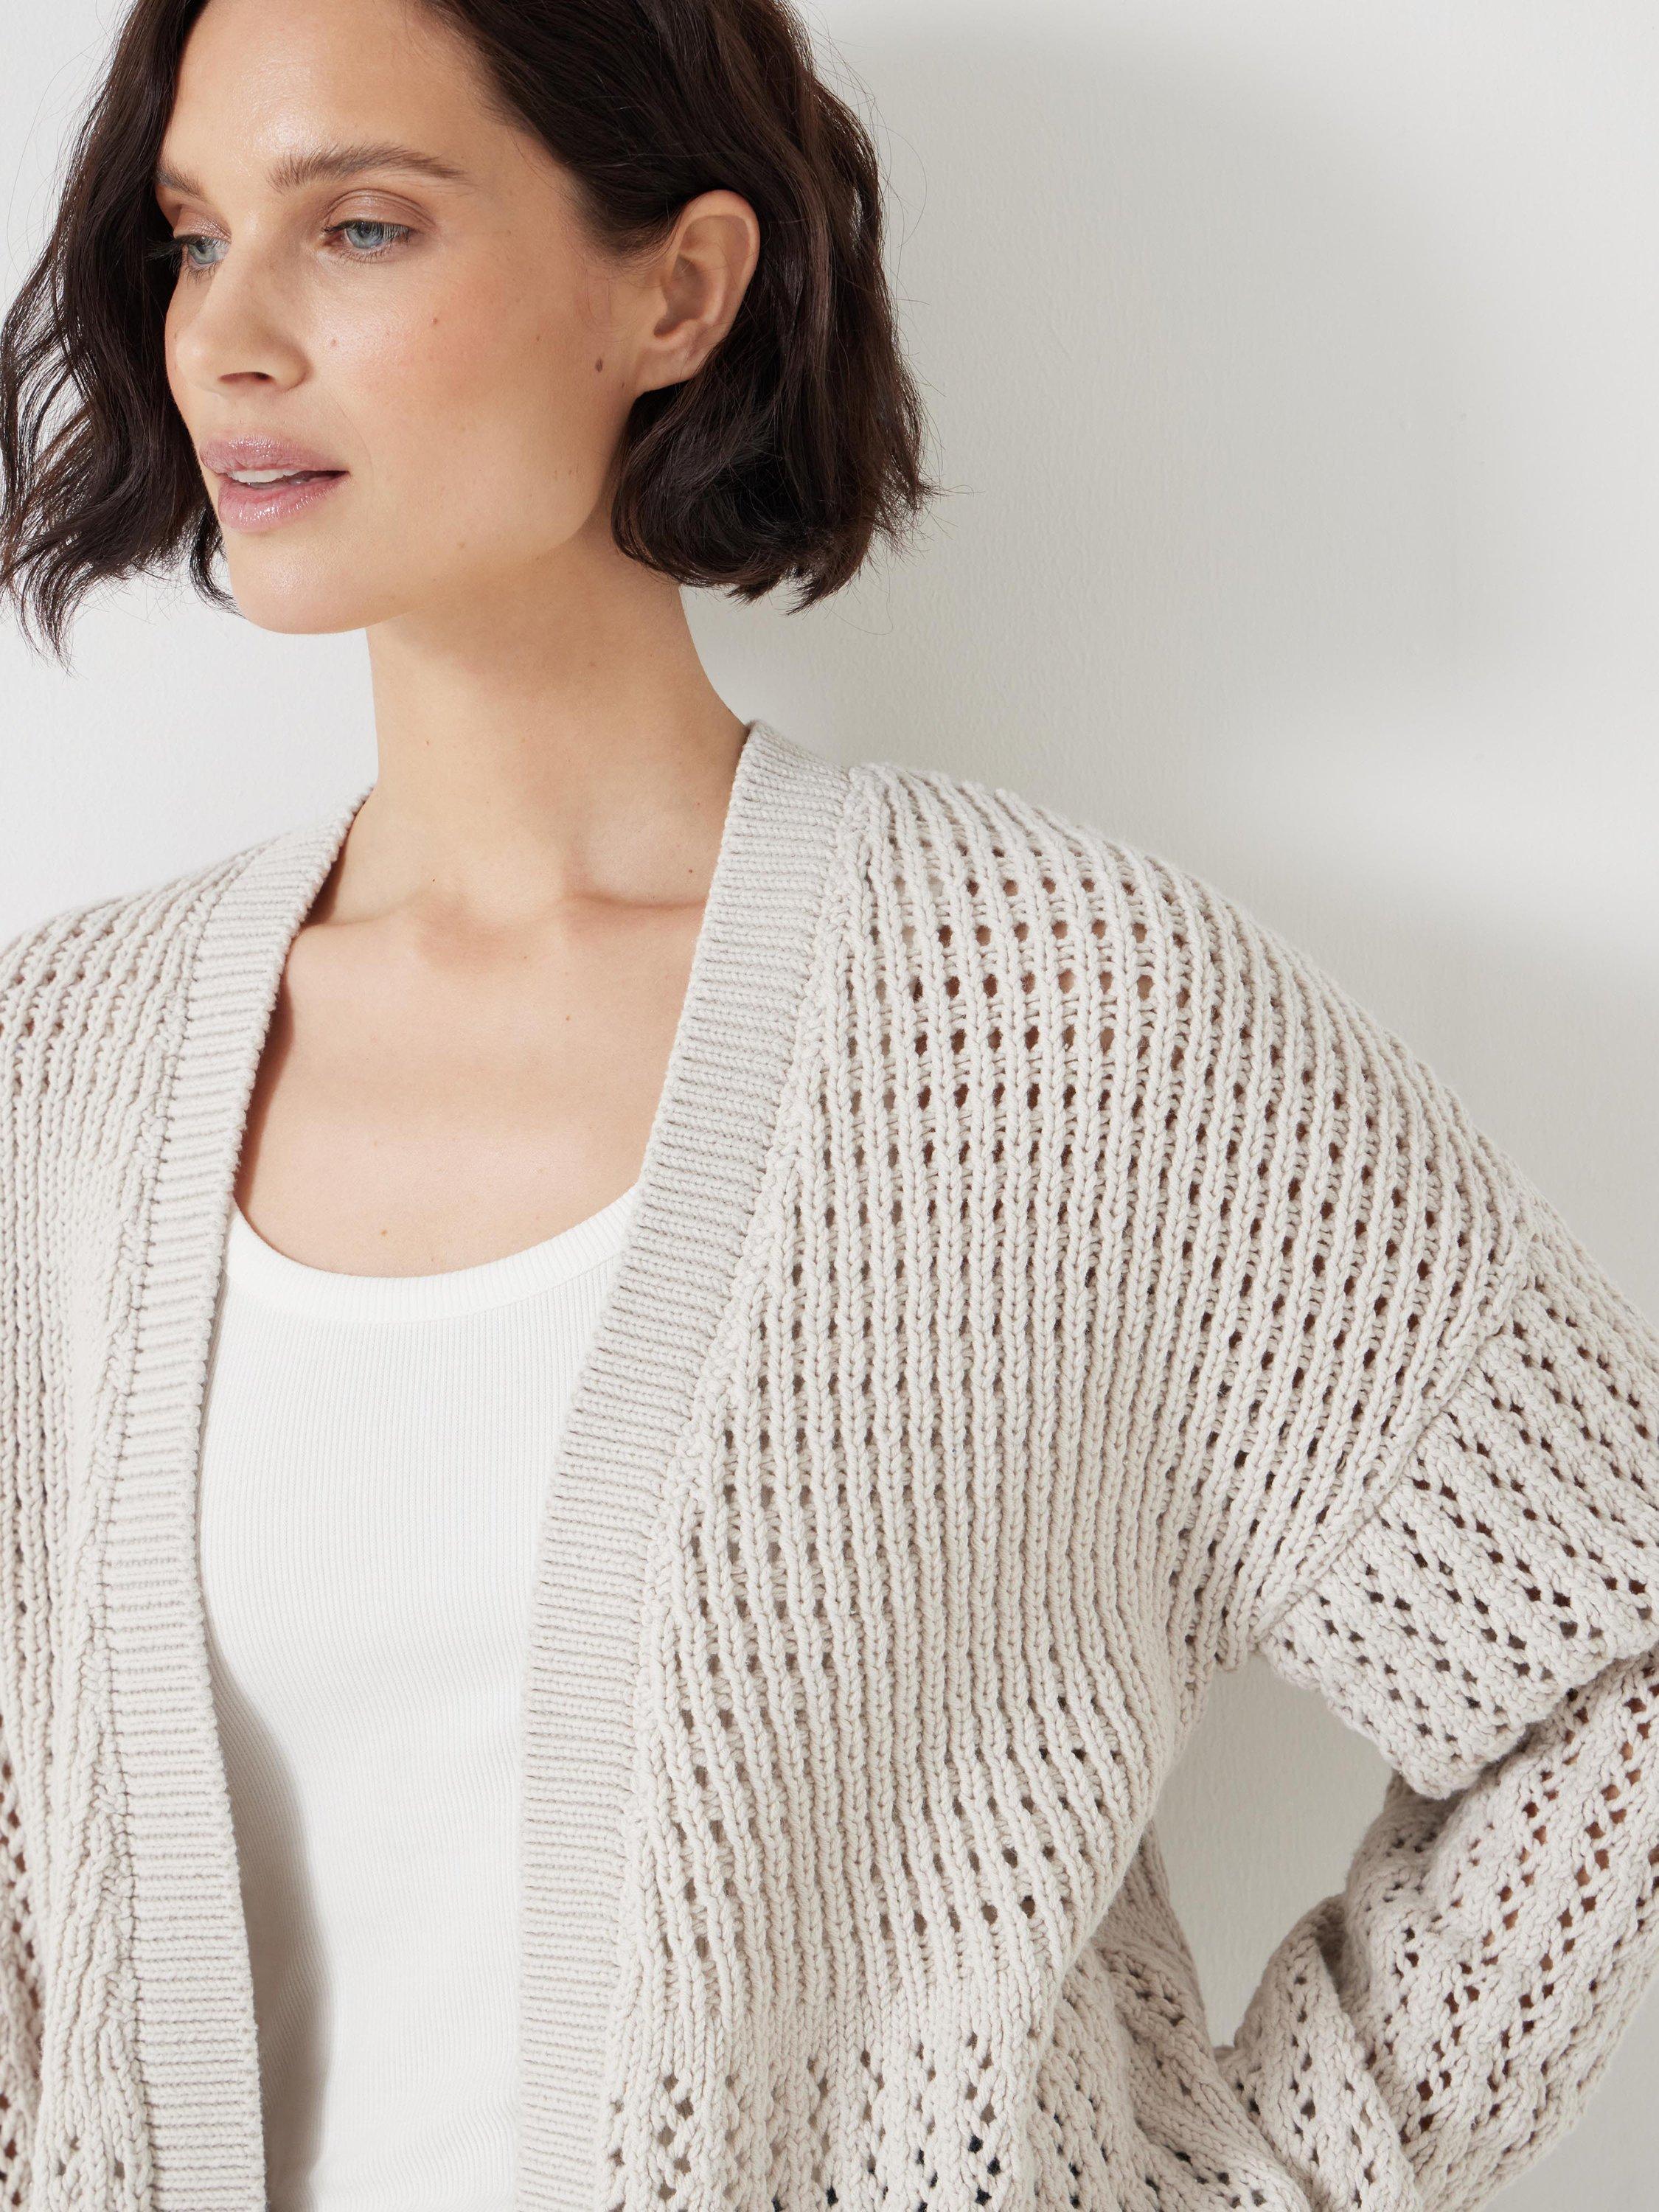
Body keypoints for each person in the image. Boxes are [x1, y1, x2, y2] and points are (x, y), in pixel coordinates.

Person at [1, 1, 1656, 2208]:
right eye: (196, 238)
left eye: (364, 225)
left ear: (678, 288)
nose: (227, 338)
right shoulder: (63, 1072)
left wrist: (1263, 2181)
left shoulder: (1070, 1027)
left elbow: (1612, 1653)